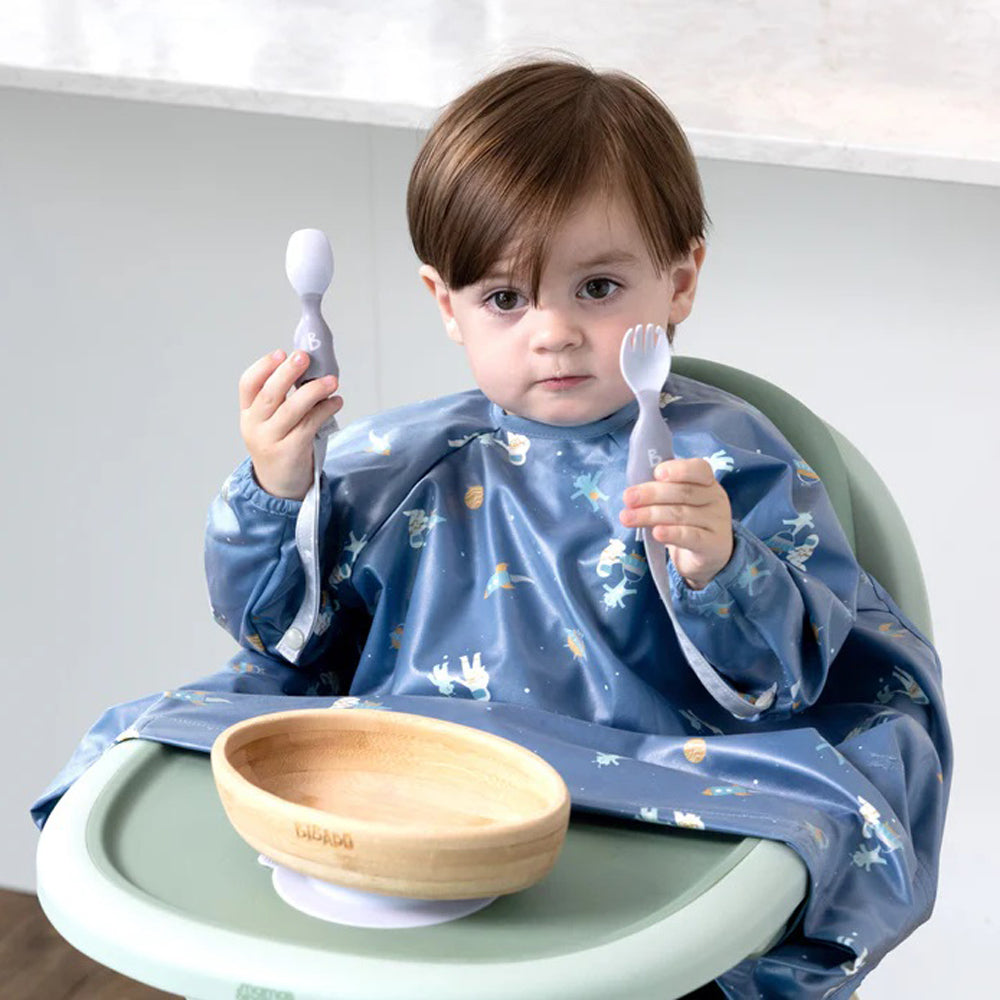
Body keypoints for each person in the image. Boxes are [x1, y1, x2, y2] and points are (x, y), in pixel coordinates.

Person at [34, 58, 949, 1000]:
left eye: (598, 288)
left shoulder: (727, 465)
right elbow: (282, 636)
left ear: (679, 282)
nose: (553, 332)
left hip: (656, 808)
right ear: (448, 305)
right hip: (411, 793)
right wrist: (279, 486)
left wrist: (721, 566)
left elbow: (790, 683)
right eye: (507, 299)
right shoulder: (403, 465)